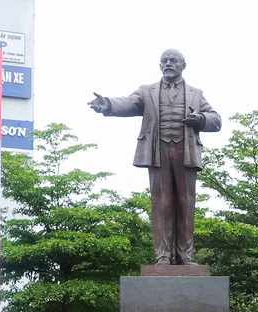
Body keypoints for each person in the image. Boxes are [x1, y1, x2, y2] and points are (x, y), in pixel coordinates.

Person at [87, 49, 221, 265]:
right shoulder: (146, 91)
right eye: (164, 61)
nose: (168, 64)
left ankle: (185, 255)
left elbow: (216, 120)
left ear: (183, 66)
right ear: (160, 66)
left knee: (186, 203)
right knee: (161, 203)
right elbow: (129, 103)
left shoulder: (196, 93)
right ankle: (163, 255)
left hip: (185, 152)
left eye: (173, 61)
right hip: (157, 152)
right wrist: (109, 105)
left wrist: (201, 118)